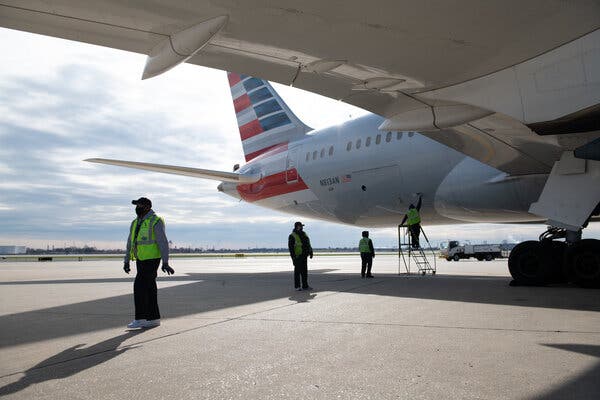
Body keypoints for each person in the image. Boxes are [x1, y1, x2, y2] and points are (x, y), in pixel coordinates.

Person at [123, 197, 174, 329]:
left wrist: (165, 262)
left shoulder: (155, 221)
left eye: (139, 205)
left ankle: (140, 318)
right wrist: (127, 260)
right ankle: (153, 318)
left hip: (152, 260)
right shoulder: (135, 222)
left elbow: (163, 242)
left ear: (147, 207)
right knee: (150, 289)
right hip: (140, 260)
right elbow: (130, 243)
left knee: (139, 287)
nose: (136, 208)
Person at [288, 221, 314, 291]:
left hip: (304, 255)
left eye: (302, 226)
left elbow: (308, 243)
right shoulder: (292, 236)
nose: (302, 227)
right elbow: (291, 248)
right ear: (297, 226)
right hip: (298, 256)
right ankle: (297, 286)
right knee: (297, 272)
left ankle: (305, 286)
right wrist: (293, 258)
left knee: (304, 272)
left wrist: (311, 251)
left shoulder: (304, 234)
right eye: (301, 226)